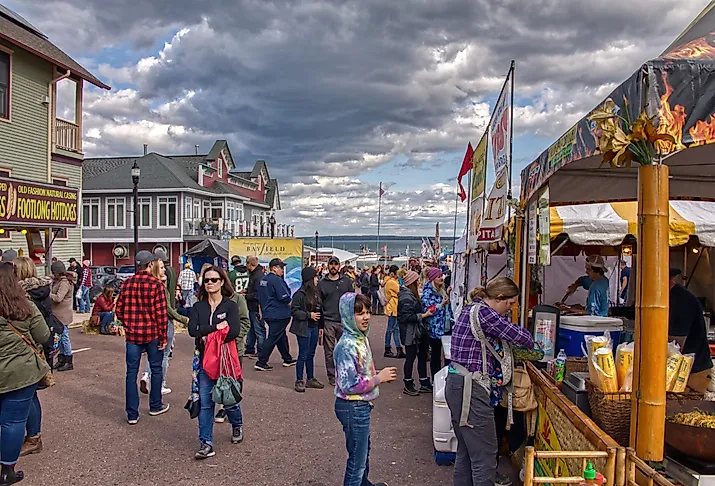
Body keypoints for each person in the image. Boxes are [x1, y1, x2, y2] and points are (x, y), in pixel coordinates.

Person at [446, 277, 534, 486]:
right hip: (471, 389)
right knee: (485, 456)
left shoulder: (471, 308)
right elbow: (523, 337)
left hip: (456, 383)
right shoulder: (486, 314)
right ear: (500, 298)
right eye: (510, 304)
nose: (509, 309)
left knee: (466, 452)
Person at [334, 293, 396, 486]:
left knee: (362, 454)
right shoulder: (347, 345)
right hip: (352, 406)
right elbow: (349, 384)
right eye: (360, 313)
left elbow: (361, 370)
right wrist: (378, 378)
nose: (366, 317)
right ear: (348, 315)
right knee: (357, 462)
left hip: (360, 405)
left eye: (368, 312)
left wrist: (376, 376)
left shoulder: (360, 338)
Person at [0, 262, 50, 485]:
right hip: (21, 371)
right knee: (13, 422)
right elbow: (43, 335)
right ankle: (7, 470)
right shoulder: (25, 306)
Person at [188, 266, 244, 459]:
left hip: (225, 360)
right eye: (207, 280)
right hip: (204, 361)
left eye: (214, 279)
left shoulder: (230, 306)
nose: (210, 283)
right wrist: (215, 328)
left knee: (229, 400)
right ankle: (206, 443)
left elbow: (234, 331)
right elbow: (192, 330)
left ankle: (237, 424)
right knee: (205, 403)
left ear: (222, 282)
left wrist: (207, 334)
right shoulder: (198, 306)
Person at [115, 251, 170, 425]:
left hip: (133, 335)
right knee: (156, 369)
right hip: (152, 333)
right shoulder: (156, 285)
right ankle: (155, 405)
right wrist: (163, 336)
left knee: (131, 373)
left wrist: (128, 323)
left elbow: (119, 309)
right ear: (149, 265)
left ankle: (132, 413)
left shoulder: (127, 283)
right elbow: (161, 315)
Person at [13, 258, 53, 458]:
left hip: (28, 348)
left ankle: (33, 437)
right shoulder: (42, 291)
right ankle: (32, 435)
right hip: (37, 348)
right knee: (31, 395)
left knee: (28, 396)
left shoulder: (24, 297)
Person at [140, 259, 189, 397]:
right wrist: (184, 320)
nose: (164, 270)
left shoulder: (147, 285)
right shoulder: (160, 287)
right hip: (165, 322)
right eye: (161, 267)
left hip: (150, 324)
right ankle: (159, 385)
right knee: (164, 355)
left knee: (153, 354)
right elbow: (167, 308)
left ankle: (146, 375)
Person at [669, 268, 713, 393]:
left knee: (685, 410)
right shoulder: (672, 298)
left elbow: (675, 345)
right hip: (684, 369)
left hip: (693, 371)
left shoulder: (681, 301)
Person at [318, 256, 355, 386]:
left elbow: (352, 300)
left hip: (344, 320)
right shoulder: (322, 283)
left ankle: (344, 374)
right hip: (328, 321)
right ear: (328, 266)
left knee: (345, 350)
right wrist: (320, 325)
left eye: (336, 264)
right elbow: (319, 304)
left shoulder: (346, 281)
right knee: (329, 351)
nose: (333, 266)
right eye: (331, 264)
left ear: (339, 266)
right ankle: (332, 375)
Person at [254, 258, 296, 371]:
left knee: (280, 336)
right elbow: (284, 297)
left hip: (268, 312)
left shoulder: (263, 280)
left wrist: (261, 311)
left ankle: (287, 358)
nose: (283, 270)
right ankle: (261, 361)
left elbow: (259, 298)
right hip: (279, 313)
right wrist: (297, 308)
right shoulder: (277, 280)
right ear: (274, 268)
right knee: (273, 337)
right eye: (281, 267)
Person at [398, 270, 433, 396]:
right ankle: (408, 383)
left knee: (421, 356)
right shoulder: (406, 297)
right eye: (416, 280)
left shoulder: (408, 295)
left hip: (416, 332)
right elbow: (406, 317)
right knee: (411, 357)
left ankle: (423, 381)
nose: (418, 282)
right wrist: (423, 315)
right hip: (410, 332)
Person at [290, 267, 325, 392]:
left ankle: (310, 378)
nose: (317, 279)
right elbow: (294, 311)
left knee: (311, 354)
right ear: (310, 279)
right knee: (303, 354)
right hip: (304, 328)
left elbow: (320, 310)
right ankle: (299, 380)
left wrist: (321, 326)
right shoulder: (299, 294)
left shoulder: (316, 293)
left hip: (314, 327)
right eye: (315, 277)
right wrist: (308, 315)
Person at [422, 267, 452, 378]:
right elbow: (428, 309)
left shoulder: (441, 289)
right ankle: (436, 378)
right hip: (435, 328)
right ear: (433, 278)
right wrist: (441, 305)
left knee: (448, 355)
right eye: (439, 277)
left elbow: (448, 309)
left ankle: (447, 377)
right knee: (436, 355)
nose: (441, 278)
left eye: (441, 276)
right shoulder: (428, 291)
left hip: (446, 325)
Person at [49, 261, 77, 372]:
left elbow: (58, 298)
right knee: (60, 338)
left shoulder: (64, 283)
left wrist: (47, 294)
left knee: (64, 337)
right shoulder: (60, 281)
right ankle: (61, 359)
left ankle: (68, 360)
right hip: (58, 314)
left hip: (62, 315)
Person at [244, 256, 266, 358]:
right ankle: (250, 348)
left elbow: (259, 294)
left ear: (249, 264)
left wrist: (247, 295)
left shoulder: (258, 276)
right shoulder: (255, 274)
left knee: (258, 329)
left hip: (256, 306)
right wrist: (247, 290)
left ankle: (261, 350)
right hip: (252, 306)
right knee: (252, 328)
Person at [383, 265, 404, 359]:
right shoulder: (391, 282)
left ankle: (398, 348)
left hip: (394, 307)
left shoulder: (391, 281)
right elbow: (400, 290)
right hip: (393, 307)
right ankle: (388, 348)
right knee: (391, 329)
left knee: (394, 329)